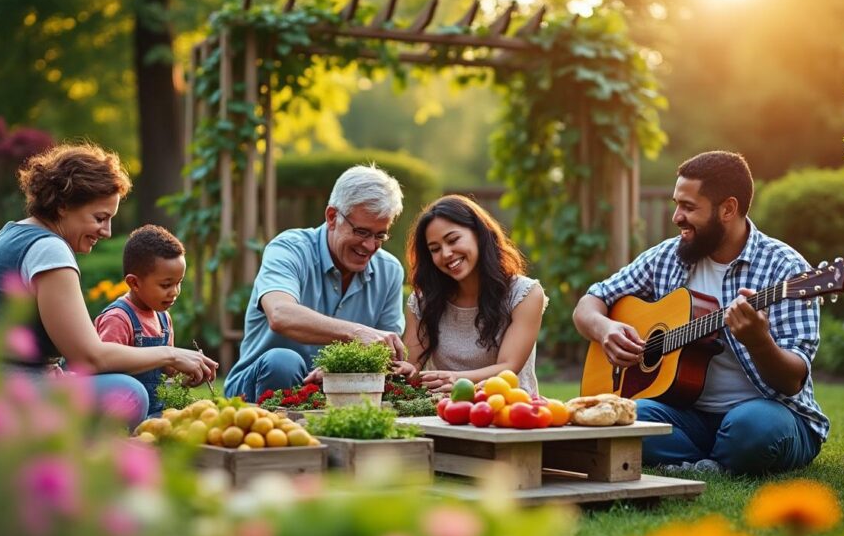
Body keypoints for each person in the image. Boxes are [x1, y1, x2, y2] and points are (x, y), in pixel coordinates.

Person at [572, 151, 827, 475]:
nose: (677, 216)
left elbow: (792, 381)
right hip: (687, 415)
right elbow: (590, 302)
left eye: (689, 207)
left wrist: (758, 341)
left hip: (770, 413)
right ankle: (715, 461)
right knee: (622, 415)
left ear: (728, 209)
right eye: (677, 204)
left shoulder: (788, 271)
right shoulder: (667, 256)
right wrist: (604, 328)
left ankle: (693, 458)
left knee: (753, 429)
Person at [0, 143, 217, 427]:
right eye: (100, 218)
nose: (108, 232)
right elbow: (89, 356)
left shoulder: (18, 234)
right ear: (63, 206)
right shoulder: (48, 249)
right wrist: (171, 354)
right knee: (127, 395)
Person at [223, 164, 407, 402]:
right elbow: (280, 314)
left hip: (337, 391)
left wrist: (339, 372)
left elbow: (386, 354)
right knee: (283, 362)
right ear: (332, 217)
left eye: (380, 235)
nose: (370, 246)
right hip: (256, 387)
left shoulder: (390, 271)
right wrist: (356, 333)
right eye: (362, 232)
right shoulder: (288, 249)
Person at [404, 195, 546, 395]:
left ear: (479, 234)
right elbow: (412, 367)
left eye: (453, 240)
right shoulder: (422, 302)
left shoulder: (524, 294)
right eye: (435, 249)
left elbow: (508, 367)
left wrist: (457, 378)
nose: (445, 254)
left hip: (509, 411)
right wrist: (407, 370)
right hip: (444, 413)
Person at [95, 225, 189, 416]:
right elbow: (104, 370)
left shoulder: (163, 318)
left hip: (155, 413)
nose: (175, 292)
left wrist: (187, 372)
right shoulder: (119, 319)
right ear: (134, 283)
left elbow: (168, 370)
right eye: (166, 285)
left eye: (179, 283)